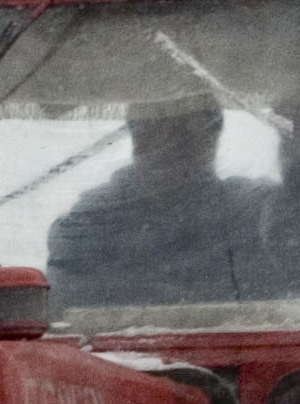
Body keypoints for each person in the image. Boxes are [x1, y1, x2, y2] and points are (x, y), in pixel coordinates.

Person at [46, 94, 275, 308]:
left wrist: (298, 150)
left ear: (211, 143)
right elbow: (67, 308)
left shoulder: (249, 210)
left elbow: (298, 269)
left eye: (183, 138)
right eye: (149, 134)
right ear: (136, 141)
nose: (164, 148)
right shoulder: (92, 220)